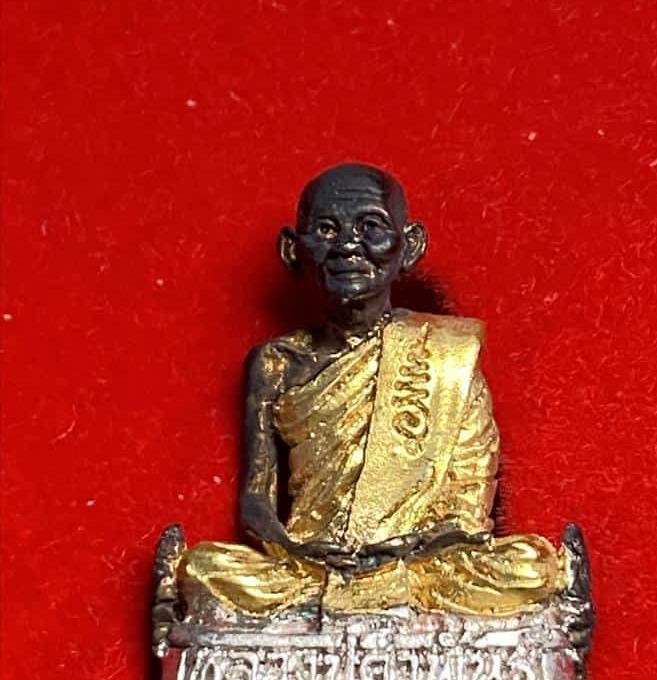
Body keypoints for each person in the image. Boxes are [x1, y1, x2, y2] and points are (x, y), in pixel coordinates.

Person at [179, 163, 565, 617]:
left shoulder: (445, 355)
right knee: (203, 568)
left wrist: (412, 546)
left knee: (531, 567)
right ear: (292, 249)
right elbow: (256, 501)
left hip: (419, 562)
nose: (348, 245)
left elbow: (468, 496)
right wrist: (297, 549)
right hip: (315, 564)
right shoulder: (276, 363)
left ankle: (355, 603)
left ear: (409, 245)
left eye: (371, 227)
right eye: (326, 229)